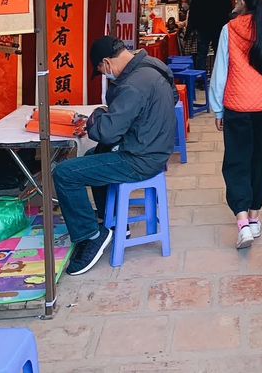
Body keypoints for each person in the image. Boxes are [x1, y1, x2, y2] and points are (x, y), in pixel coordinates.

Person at [53, 36, 178, 276]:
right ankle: (115, 222)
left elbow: (106, 133)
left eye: (101, 71)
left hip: (140, 158)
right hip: (155, 147)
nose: (104, 76)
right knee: (93, 154)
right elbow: (170, 98)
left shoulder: (132, 85)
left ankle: (91, 236)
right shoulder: (154, 65)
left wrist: (97, 115)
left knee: (65, 173)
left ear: (107, 63)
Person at [210, 0, 262, 249]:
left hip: (236, 105)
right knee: (260, 159)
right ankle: (255, 217)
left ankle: (242, 221)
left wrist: (217, 108)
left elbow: (220, 71)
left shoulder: (229, 30)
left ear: (243, 1)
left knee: (236, 161)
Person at [185, 0, 232, 70]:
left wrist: (190, 29)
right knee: (219, 54)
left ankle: (200, 79)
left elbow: (193, 13)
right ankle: (220, 76)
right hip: (219, 28)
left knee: (201, 55)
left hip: (203, 28)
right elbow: (228, 10)